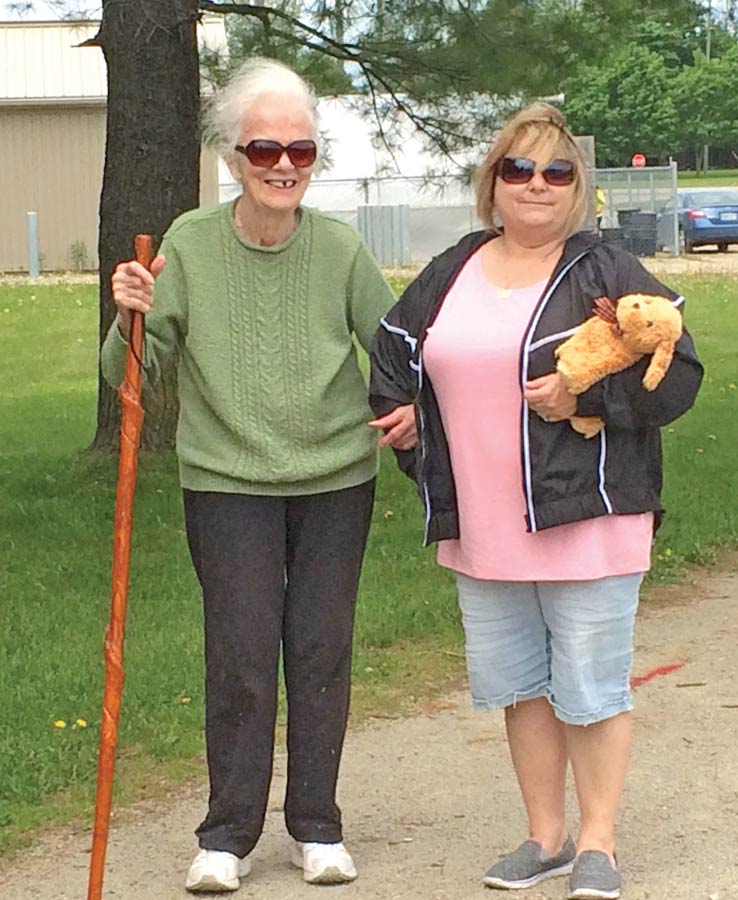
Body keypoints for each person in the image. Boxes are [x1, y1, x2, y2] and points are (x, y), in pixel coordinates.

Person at [369, 103, 702, 900]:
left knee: (590, 689)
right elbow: (394, 351)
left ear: (578, 187)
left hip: (586, 517)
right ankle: (545, 836)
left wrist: (588, 402)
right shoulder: (453, 267)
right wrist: (408, 422)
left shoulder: (607, 271)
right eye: (519, 168)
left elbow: (679, 374)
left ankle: (598, 843)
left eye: (557, 171)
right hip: (484, 525)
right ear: (493, 182)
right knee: (519, 687)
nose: (537, 184)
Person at [102, 58, 395, 893]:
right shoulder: (190, 244)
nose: (283, 166)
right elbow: (129, 375)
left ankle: (316, 827)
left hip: (336, 478)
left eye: (300, 151)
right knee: (239, 652)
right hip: (227, 480)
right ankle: (227, 834)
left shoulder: (339, 249)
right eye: (265, 149)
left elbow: (396, 349)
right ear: (233, 157)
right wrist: (131, 316)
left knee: (320, 649)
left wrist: (409, 406)